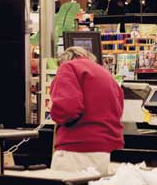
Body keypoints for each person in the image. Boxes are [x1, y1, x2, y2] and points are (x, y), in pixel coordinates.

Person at [50, 47, 124, 176]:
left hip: (75, 148)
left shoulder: (68, 67)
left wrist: (55, 114)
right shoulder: (105, 73)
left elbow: (66, 108)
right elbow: (119, 107)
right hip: (104, 152)